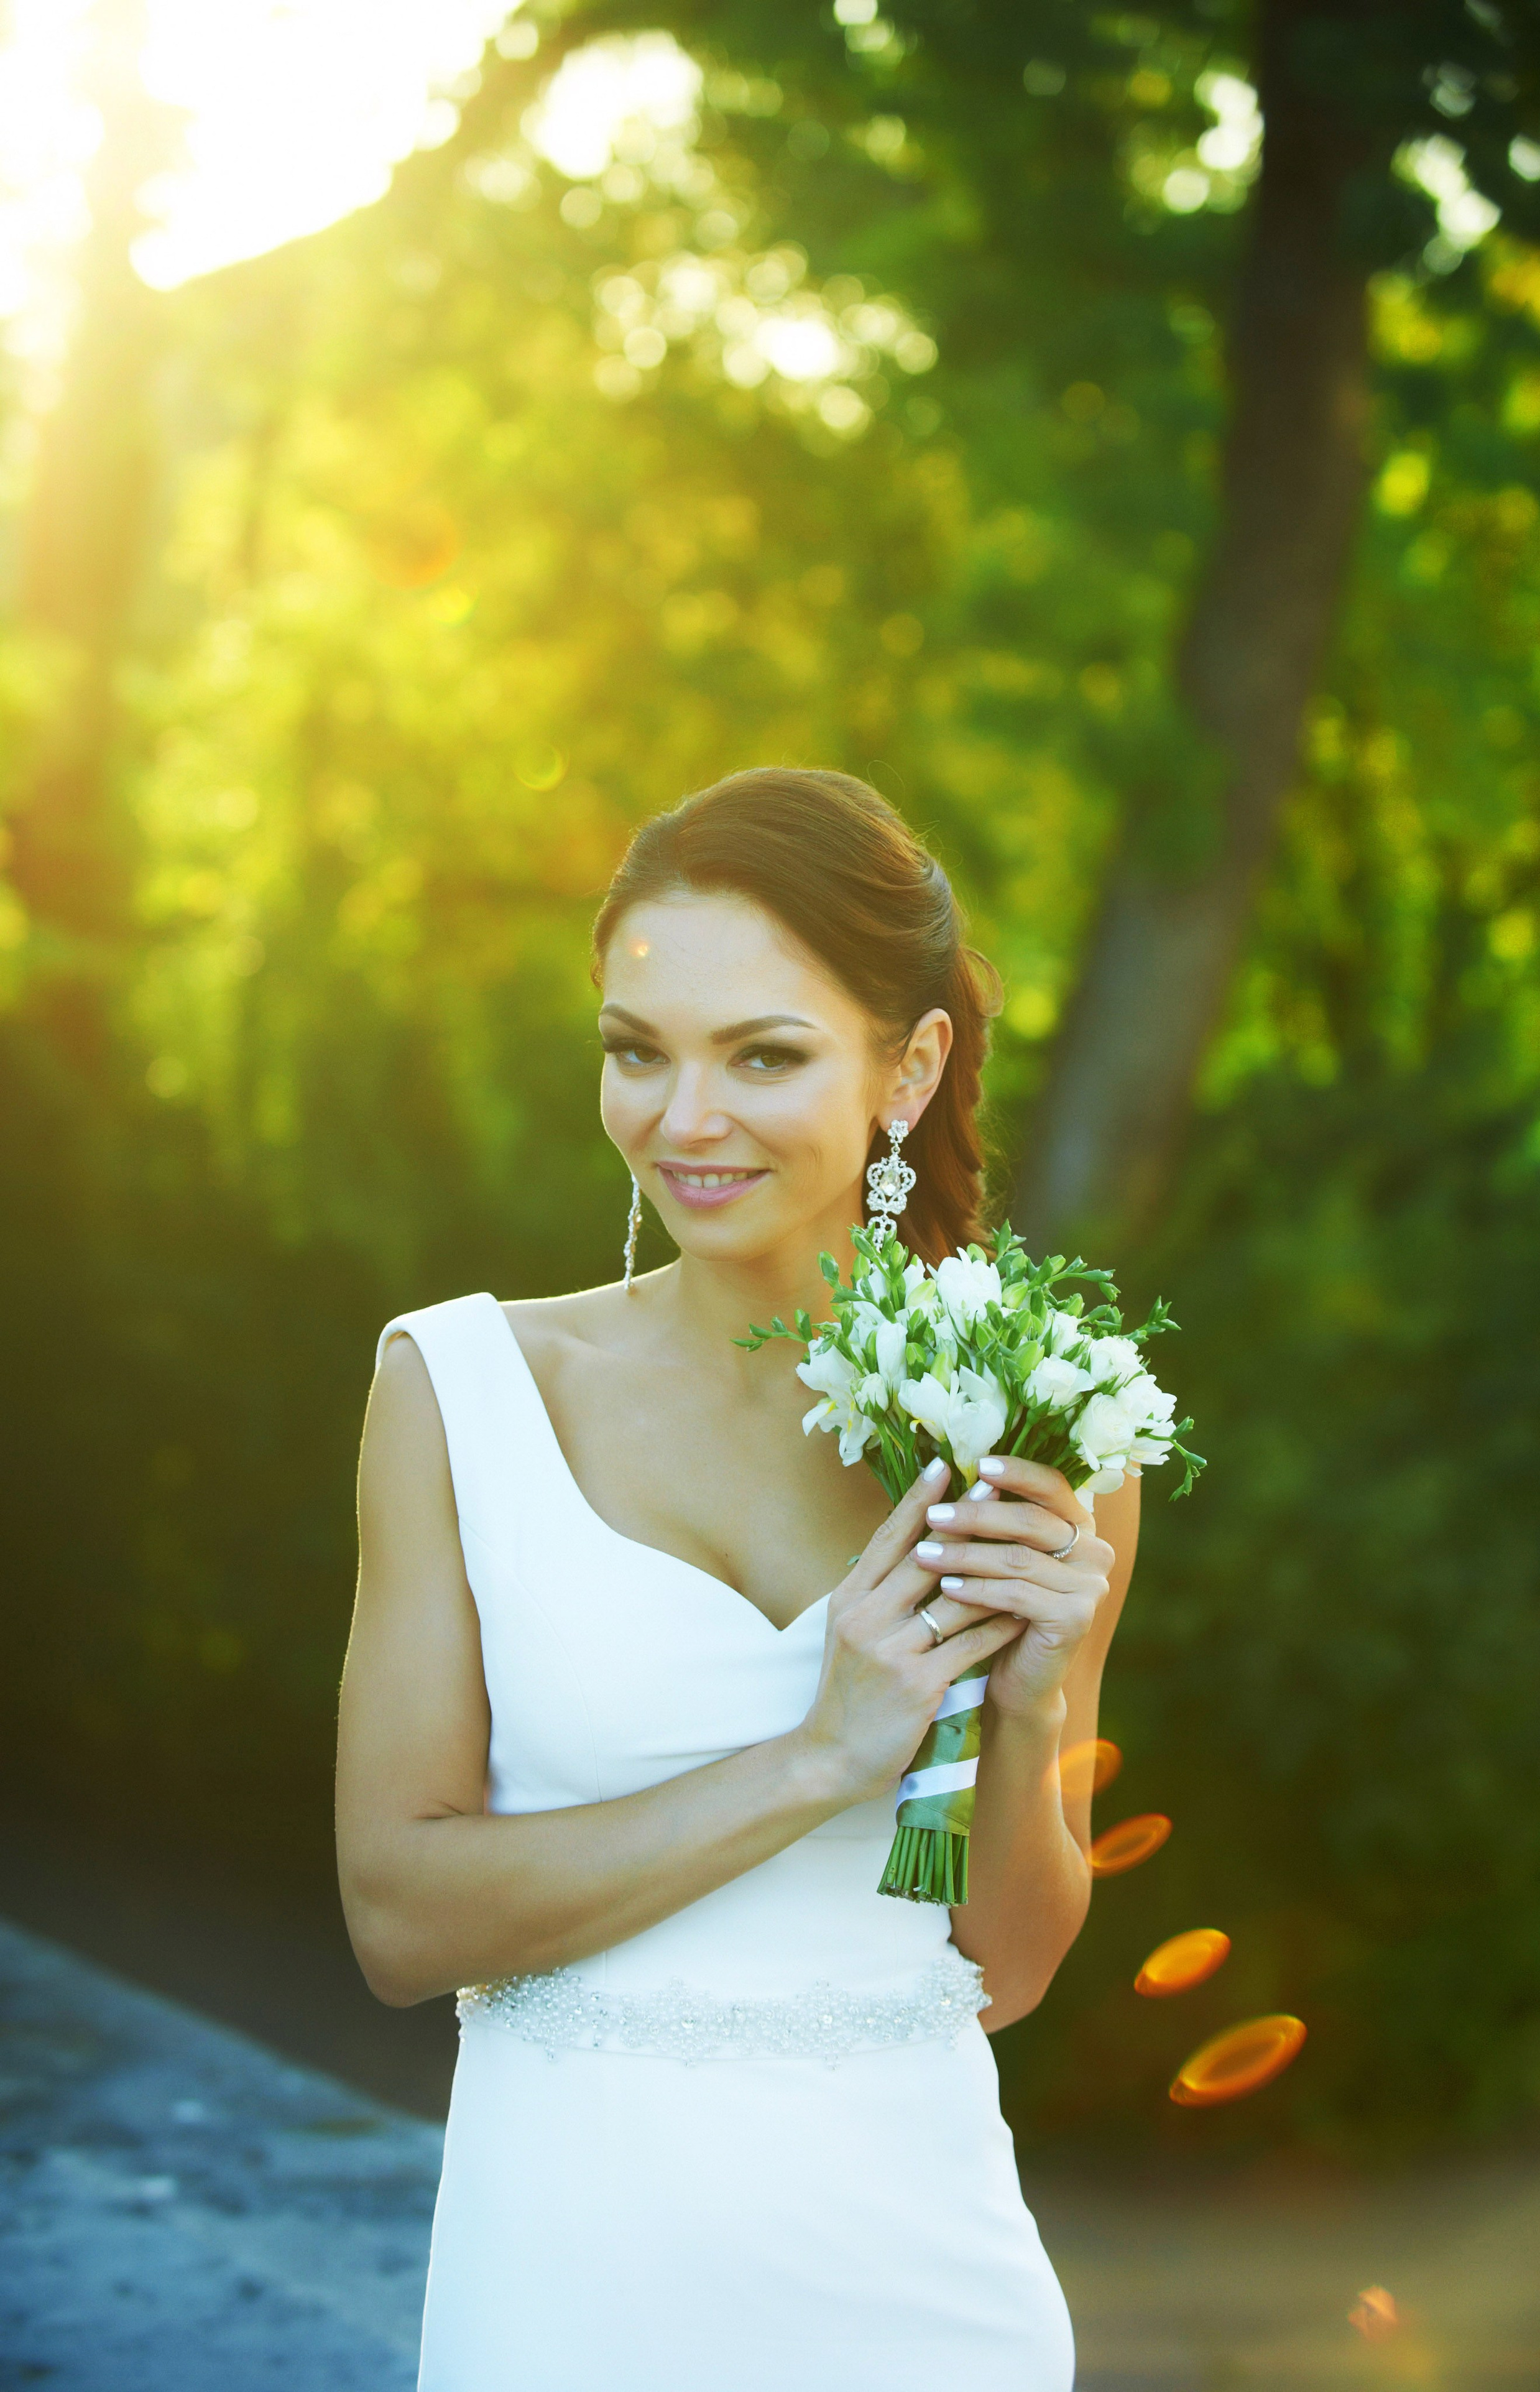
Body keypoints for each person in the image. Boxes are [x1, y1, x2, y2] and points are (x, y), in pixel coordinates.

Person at [336, 767, 1138, 2391]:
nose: (682, 1120)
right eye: (639, 1053)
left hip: (929, 2302)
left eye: (762, 1056)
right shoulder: (461, 1391)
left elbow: (1004, 1969)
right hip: (568, 2293)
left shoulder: (1038, 1419)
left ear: (910, 1070)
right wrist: (817, 1759)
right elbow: (400, 1920)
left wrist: (1030, 1701)